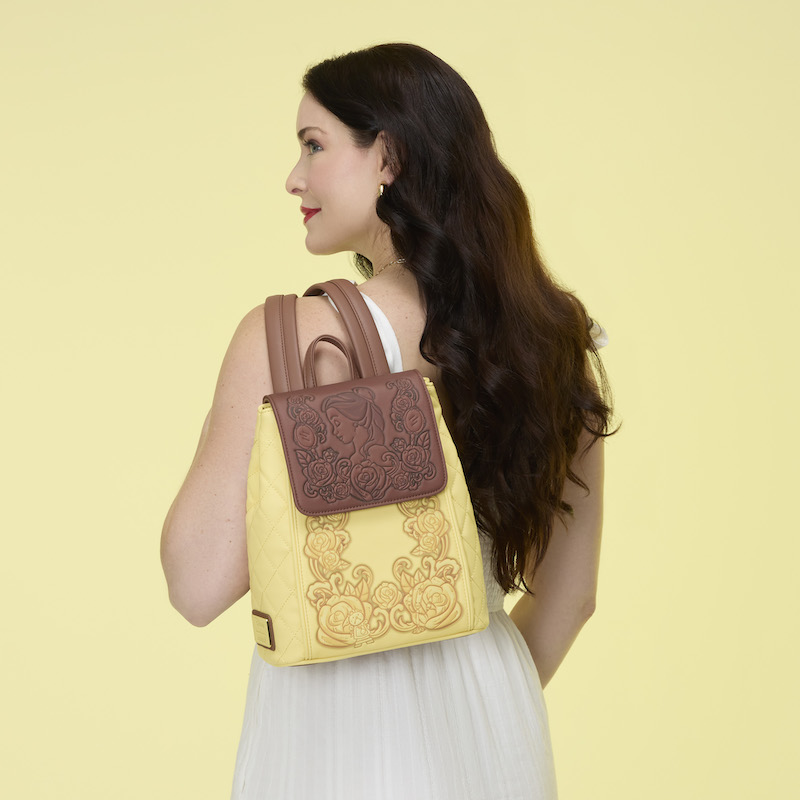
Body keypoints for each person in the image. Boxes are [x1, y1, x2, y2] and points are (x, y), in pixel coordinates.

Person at [160, 42, 614, 800]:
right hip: (496, 721)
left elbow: (196, 584)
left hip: (339, 731)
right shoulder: (553, 337)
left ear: (388, 157)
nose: (294, 177)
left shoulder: (298, 338)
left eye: (314, 145)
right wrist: (473, 710)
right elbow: (571, 598)